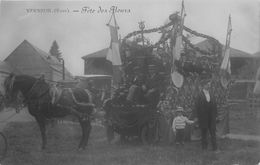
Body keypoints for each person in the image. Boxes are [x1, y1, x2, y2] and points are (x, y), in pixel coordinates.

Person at [193, 81, 218, 151]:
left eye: (210, 84)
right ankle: (204, 148)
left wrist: (216, 115)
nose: (209, 86)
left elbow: (215, 105)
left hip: (212, 116)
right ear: (204, 85)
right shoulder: (199, 94)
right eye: (208, 84)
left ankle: (215, 148)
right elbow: (196, 106)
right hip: (203, 117)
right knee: (204, 132)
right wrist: (196, 117)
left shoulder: (212, 93)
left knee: (213, 131)